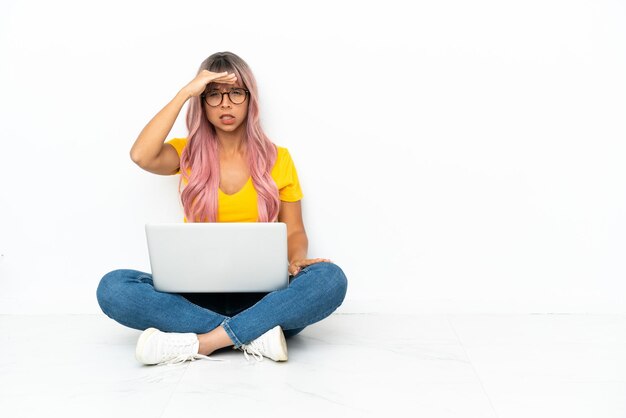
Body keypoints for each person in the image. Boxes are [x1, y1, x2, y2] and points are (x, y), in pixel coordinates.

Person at [96, 51, 348, 366]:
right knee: (113, 287)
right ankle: (255, 334)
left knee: (329, 278)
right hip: (195, 297)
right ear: (201, 103)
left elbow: (295, 229)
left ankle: (205, 342)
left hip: (263, 297)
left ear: (249, 99)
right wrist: (185, 92)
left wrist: (297, 260)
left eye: (235, 93)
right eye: (213, 95)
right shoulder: (185, 153)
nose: (225, 104)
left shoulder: (279, 158)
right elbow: (141, 155)